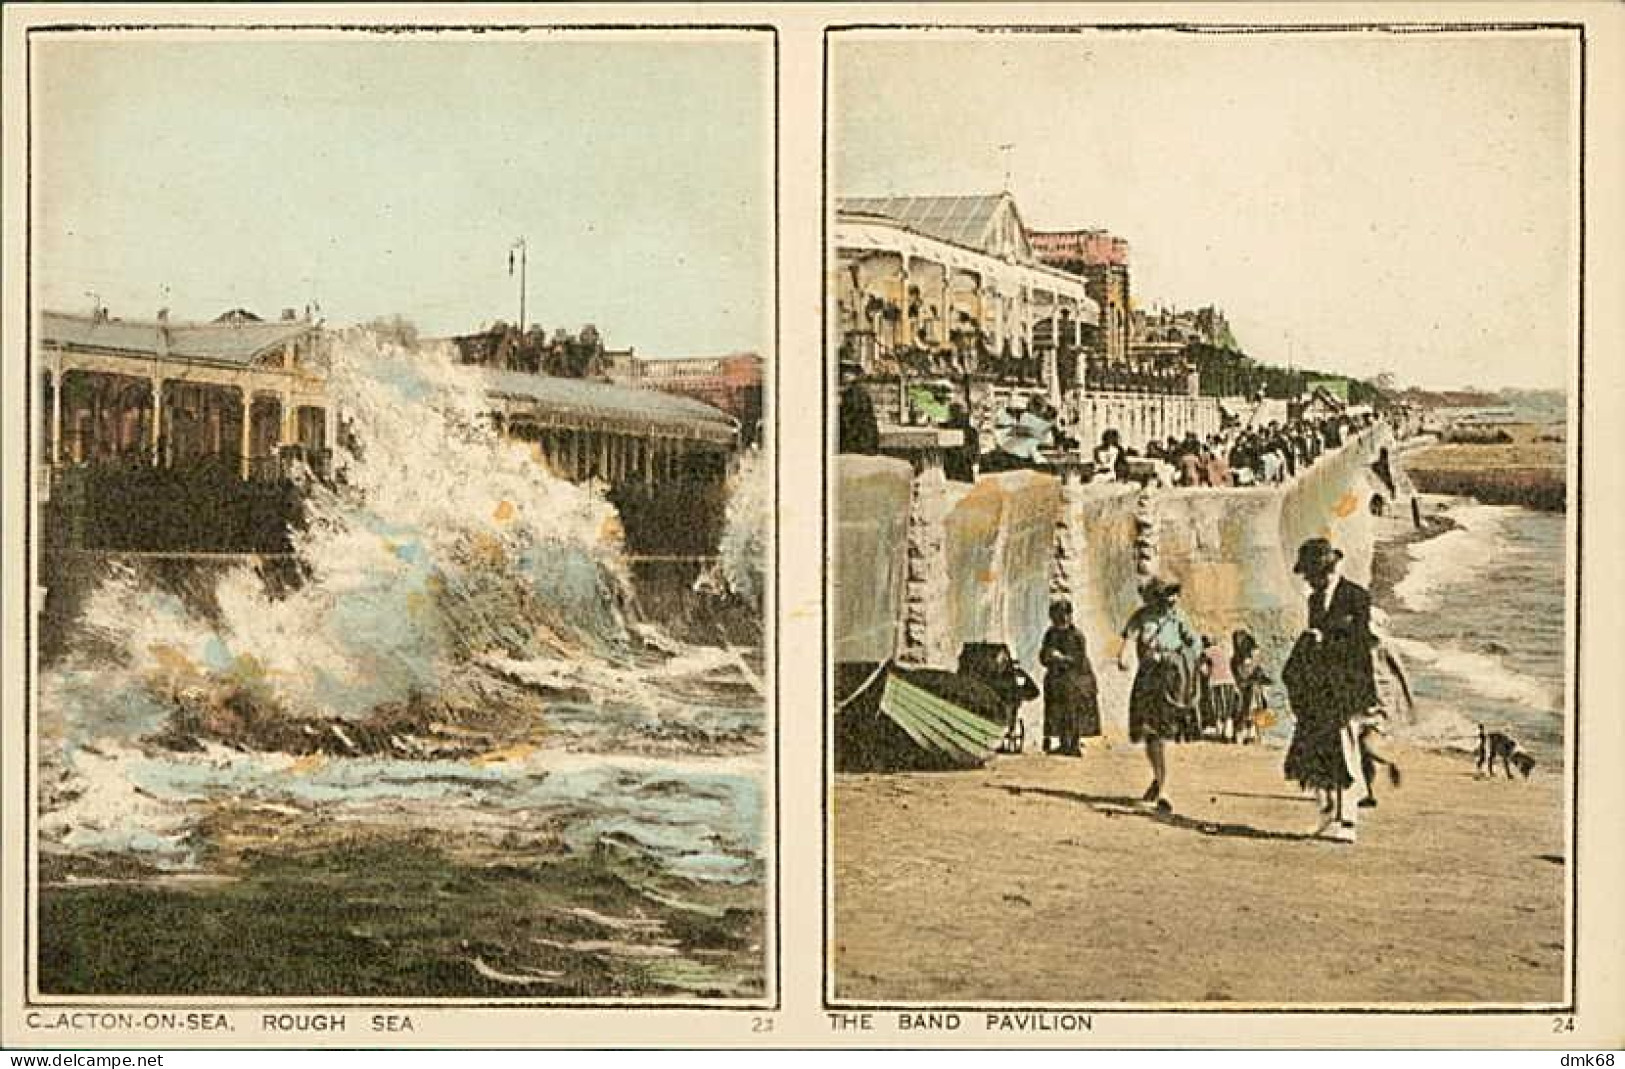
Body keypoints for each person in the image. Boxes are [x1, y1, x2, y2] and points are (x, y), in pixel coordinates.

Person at [1281, 538, 1379, 843]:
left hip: (1348, 686)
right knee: (1327, 750)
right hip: (1322, 687)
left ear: (1324, 570)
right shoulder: (1315, 600)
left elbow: (1362, 644)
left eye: (1311, 574)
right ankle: (1331, 816)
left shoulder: (1356, 597)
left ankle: (1348, 821)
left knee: (1346, 749)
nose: (1309, 581)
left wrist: (1326, 639)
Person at [1117, 576, 1202, 812]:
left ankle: (1164, 789)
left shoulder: (1178, 618)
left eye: (1175, 594)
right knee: (1150, 734)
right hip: (1147, 680)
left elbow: (1194, 644)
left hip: (1171, 681)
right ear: (1156, 596)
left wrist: (1179, 657)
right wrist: (1124, 656)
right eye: (1168, 594)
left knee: (1163, 734)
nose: (1173, 599)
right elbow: (1129, 639)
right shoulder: (1141, 617)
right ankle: (1159, 778)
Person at [1039, 599, 1099, 756]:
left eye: (1065, 614)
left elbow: (1079, 660)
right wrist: (1049, 656)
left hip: (1077, 678)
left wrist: (1061, 658)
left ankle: (1072, 745)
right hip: (1057, 678)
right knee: (1056, 708)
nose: (1063, 618)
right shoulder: (1050, 634)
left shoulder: (1076, 635)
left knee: (1072, 708)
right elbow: (1042, 656)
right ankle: (1062, 743)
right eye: (1059, 615)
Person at [1198, 635, 1242, 742]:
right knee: (1228, 709)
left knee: (1217, 709)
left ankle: (1220, 733)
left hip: (1216, 682)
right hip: (1230, 681)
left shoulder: (1206, 652)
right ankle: (1227, 735)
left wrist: (1206, 674)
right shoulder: (1225, 651)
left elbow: (1203, 669)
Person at [1230, 629, 1270, 745]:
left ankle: (1245, 735)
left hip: (1246, 687)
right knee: (1252, 711)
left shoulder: (1236, 659)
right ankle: (1251, 736)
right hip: (1250, 687)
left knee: (1245, 711)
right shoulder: (1245, 659)